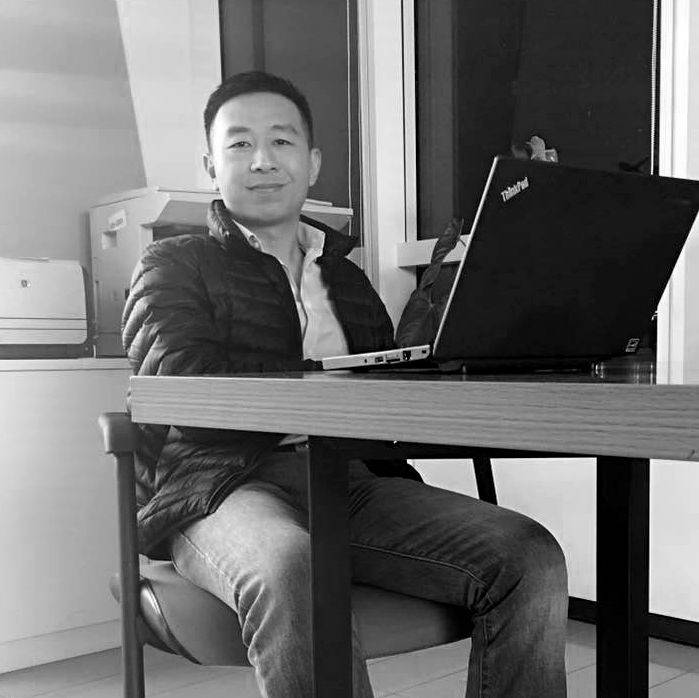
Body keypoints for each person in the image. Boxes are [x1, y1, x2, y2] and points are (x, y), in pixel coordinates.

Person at [122, 70, 568, 698]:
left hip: (349, 479)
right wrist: (324, 384)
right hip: (220, 486)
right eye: (239, 143)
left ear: (312, 162)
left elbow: (386, 393)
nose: (262, 159)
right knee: (291, 564)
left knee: (528, 554)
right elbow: (179, 384)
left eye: (281, 141)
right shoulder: (172, 265)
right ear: (210, 165)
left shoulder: (348, 279)